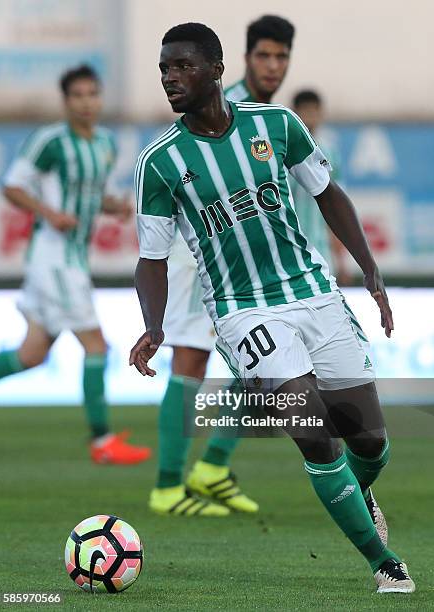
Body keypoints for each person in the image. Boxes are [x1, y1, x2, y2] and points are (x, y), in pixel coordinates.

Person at [130, 22, 415, 593]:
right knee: (313, 430)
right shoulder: (160, 163)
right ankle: (385, 564)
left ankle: (358, 492)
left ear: (214, 70)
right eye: (164, 69)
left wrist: (370, 268)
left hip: (312, 293)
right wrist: (154, 325)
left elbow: (328, 194)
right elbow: (151, 258)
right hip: (242, 311)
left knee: (370, 442)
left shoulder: (279, 126)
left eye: (182, 66)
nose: (170, 78)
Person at [153, 15, 295, 517]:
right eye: (264, 55)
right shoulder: (214, 102)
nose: (273, 66)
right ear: (242, 58)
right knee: (190, 358)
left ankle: (212, 466)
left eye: (281, 57)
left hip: (248, 262)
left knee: (263, 364)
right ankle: (168, 486)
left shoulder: (266, 117)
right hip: (199, 258)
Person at [0, 64, 151, 465]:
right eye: (78, 95)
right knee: (97, 346)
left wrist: (113, 206)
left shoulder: (104, 144)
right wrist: (49, 213)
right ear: (66, 101)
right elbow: (12, 186)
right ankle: (102, 442)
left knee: (32, 355)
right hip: (55, 259)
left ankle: (103, 441)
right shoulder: (50, 141)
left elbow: (90, 193)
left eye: (92, 94)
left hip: (72, 258)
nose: (87, 102)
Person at [291, 89, 352, 284]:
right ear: (295, 113)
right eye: (304, 111)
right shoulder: (283, 150)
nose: (309, 117)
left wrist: (341, 260)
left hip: (322, 250)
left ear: (321, 113)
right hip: (291, 248)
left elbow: (335, 207)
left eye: (313, 111)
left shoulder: (329, 152)